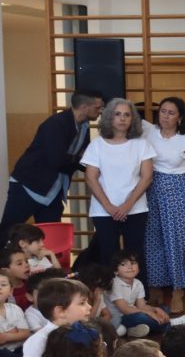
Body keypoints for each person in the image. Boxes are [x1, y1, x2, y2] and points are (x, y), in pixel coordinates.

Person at [0, 90, 104, 241]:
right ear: (83, 107)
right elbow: (56, 160)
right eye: (97, 107)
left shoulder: (84, 126)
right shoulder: (56, 124)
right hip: (29, 186)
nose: (100, 111)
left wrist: (96, 169)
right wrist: (77, 159)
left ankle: (49, 265)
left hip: (54, 190)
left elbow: (80, 158)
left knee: (50, 238)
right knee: (8, 231)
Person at [141, 97, 185, 314]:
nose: (165, 116)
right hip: (151, 189)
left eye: (171, 113)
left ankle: (178, 291)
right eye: (162, 111)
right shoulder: (148, 131)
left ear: (180, 117)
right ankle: (155, 290)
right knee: (153, 240)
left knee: (176, 241)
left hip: (177, 191)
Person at [80, 98, 157, 275]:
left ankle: (139, 298)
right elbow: (91, 178)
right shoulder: (97, 145)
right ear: (109, 118)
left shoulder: (141, 144)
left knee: (136, 255)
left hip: (135, 209)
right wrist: (109, 207)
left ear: (132, 119)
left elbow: (147, 177)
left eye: (127, 115)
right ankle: (110, 299)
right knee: (108, 254)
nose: (122, 118)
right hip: (103, 210)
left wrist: (127, 205)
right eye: (117, 114)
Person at [107, 251, 185, 338]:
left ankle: (134, 329)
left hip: (133, 313)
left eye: (133, 263)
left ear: (139, 269)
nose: (130, 267)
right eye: (123, 264)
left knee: (164, 309)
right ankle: (171, 325)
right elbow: (125, 309)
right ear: (116, 271)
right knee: (141, 317)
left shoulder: (138, 283)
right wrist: (149, 313)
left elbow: (142, 306)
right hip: (120, 318)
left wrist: (155, 309)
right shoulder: (114, 283)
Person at [23, 279, 93, 357]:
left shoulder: (86, 330)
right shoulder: (39, 341)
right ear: (61, 311)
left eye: (87, 302)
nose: (89, 307)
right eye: (82, 303)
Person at [0, 272, 30, 355]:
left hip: (21, 348)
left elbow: (25, 333)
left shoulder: (15, 308)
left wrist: (6, 337)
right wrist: (15, 332)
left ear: (11, 291)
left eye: (3, 285)